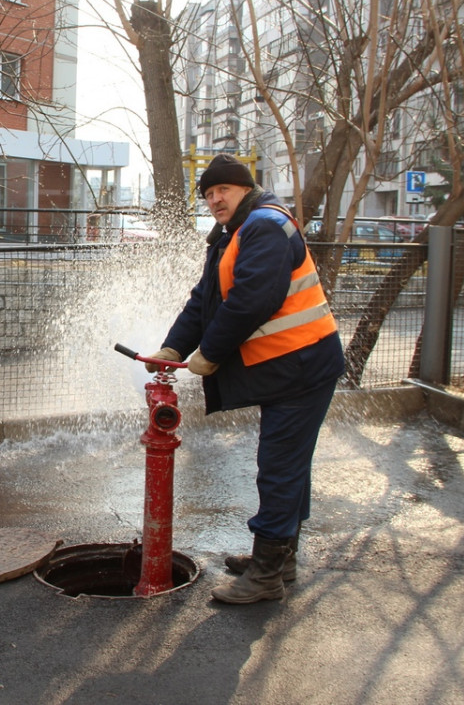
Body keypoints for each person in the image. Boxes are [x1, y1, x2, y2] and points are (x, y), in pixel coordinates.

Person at [146, 155, 344, 604]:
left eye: (224, 191)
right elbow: (206, 299)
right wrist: (174, 347)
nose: (215, 199)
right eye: (209, 194)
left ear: (244, 189)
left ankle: (267, 576)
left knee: (278, 467)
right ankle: (281, 558)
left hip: (303, 367)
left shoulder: (266, 226)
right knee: (288, 465)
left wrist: (211, 354)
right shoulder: (236, 231)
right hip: (291, 367)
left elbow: (253, 299)